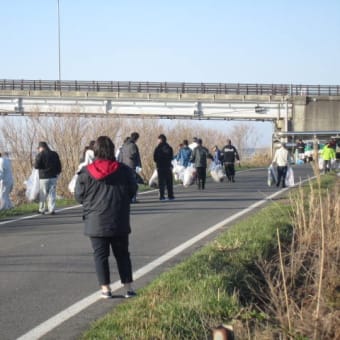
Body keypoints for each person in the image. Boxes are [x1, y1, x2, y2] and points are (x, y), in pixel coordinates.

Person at [75, 136, 137, 299]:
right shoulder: (124, 170)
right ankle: (129, 288)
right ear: (111, 150)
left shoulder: (86, 172)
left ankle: (106, 289)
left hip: (95, 221)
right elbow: (132, 190)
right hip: (118, 219)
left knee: (100, 256)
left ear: (95, 151)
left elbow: (79, 196)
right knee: (122, 254)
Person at [34, 141, 62, 214]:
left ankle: (42, 209)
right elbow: (59, 165)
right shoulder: (54, 154)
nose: (38, 150)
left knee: (43, 194)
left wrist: (41, 167)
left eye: (39, 148)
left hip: (44, 177)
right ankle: (51, 209)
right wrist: (58, 172)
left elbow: (36, 166)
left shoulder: (40, 154)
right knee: (52, 193)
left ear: (41, 147)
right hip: (53, 176)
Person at [118, 132, 142, 203]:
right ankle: (133, 198)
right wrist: (139, 166)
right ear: (136, 138)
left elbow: (120, 156)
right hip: (131, 166)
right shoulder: (133, 145)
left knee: (125, 183)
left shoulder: (124, 145)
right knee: (133, 183)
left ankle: (126, 198)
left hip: (123, 166)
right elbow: (136, 156)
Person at [153, 134, 175, 200]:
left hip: (160, 167)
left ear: (160, 140)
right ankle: (170, 196)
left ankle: (162, 196)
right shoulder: (169, 148)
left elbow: (154, 158)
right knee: (169, 182)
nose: (157, 141)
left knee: (161, 182)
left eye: (158, 140)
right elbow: (171, 157)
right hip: (168, 166)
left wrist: (158, 162)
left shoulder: (157, 148)